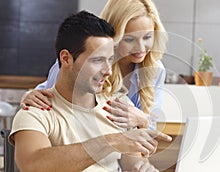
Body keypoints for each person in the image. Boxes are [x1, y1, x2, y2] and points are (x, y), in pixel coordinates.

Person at [9, 11, 172, 172]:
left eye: (110, 59)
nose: (108, 70)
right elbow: (35, 169)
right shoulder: (35, 111)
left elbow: (132, 162)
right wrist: (110, 141)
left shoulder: (120, 106)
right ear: (66, 59)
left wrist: (142, 169)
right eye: (97, 60)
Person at [20, 0, 168, 130]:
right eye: (129, 39)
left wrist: (142, 120)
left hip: (124, 156)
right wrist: (31, 96)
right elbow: (52, 97)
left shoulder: (155, 70)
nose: (140, 48)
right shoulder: (80, 61)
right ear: (113, 37)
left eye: (147, 37)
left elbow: (150, 130)